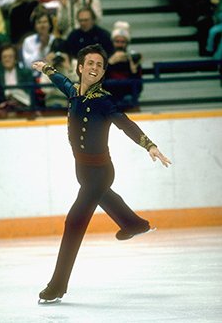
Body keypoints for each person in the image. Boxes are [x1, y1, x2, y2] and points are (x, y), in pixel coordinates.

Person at [32, 43, 171, 303]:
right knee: (105, 198)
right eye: (90, 63)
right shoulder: (73, 92)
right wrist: (47, 68)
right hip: (82, 171)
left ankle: (57, 286)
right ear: (81, 68)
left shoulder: (104, 101)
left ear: (103, 72)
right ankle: (133, 224)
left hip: (100, 172)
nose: (94, 68)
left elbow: (124, 122)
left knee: (74, 221)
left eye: (99, 65)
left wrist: (149, 145)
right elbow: (61, 80)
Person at [105, 21, 143, 110]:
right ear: (113, 42)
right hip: (109, 95)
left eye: (123, 42)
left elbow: (139, 87)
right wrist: (110, 63)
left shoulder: (132, 59)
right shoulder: (105, 58)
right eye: (117, 41)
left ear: (127, 43)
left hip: (127, 96)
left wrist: (134, 70)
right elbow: (98, 82)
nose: (120, 45)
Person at [0, 43, 35, 116]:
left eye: (10, 57)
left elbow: (30, 95)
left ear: (15, 59)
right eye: (4, 57)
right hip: (4, 109)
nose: (7, 59)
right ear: (1, 59)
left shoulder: (26, 73)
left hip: (23, 108)